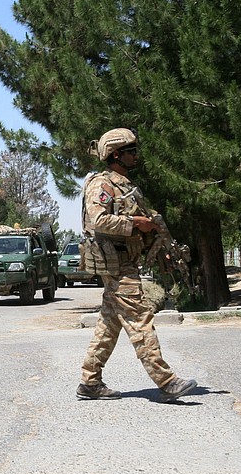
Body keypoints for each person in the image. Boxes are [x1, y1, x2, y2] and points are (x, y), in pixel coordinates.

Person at [77, 128, 197, 403]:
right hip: (117, 265)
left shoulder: (123, 186)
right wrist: (135, 224)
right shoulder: (102, 184)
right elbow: (99, 221)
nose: (136, 156)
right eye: (131, 152)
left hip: (124, 262)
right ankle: (167, 382)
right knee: (139, 320)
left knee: (109, 325)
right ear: (116, 154)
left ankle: (89, 381)